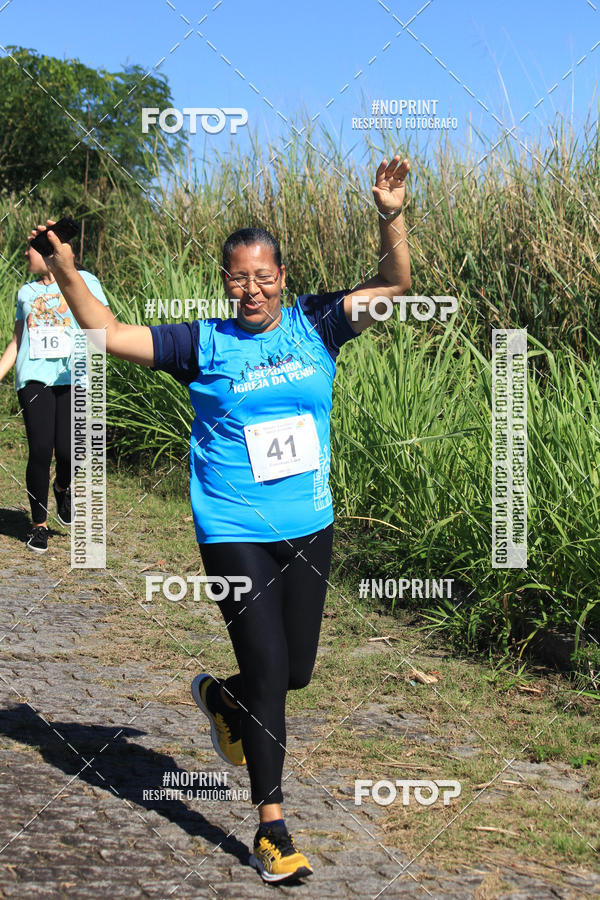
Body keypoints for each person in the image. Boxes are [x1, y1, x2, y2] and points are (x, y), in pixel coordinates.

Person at [27, 155, 411, 883]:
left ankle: (224, 697)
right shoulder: (204, 343)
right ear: (224, 280)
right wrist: (68, 270)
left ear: (282, 276)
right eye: (239, 276)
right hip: (234, 529)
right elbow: (108, 332)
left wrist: (390, 213)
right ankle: (272, 827)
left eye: (264, 275)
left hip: (310, 524)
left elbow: (395, 283)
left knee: (294, 672)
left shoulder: (318, 323)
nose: (252, 288)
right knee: (270, 672)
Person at [0, 233, 110, 553]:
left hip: (74, 376)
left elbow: (103, 322)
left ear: (48, 252)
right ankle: (39, 526)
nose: (24, 253)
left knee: (68, 450)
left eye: (30, 248)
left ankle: (62, 487)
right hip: (34, 377)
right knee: (40, 448)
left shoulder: (84, 280)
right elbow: (18, 341)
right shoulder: (25, 292)